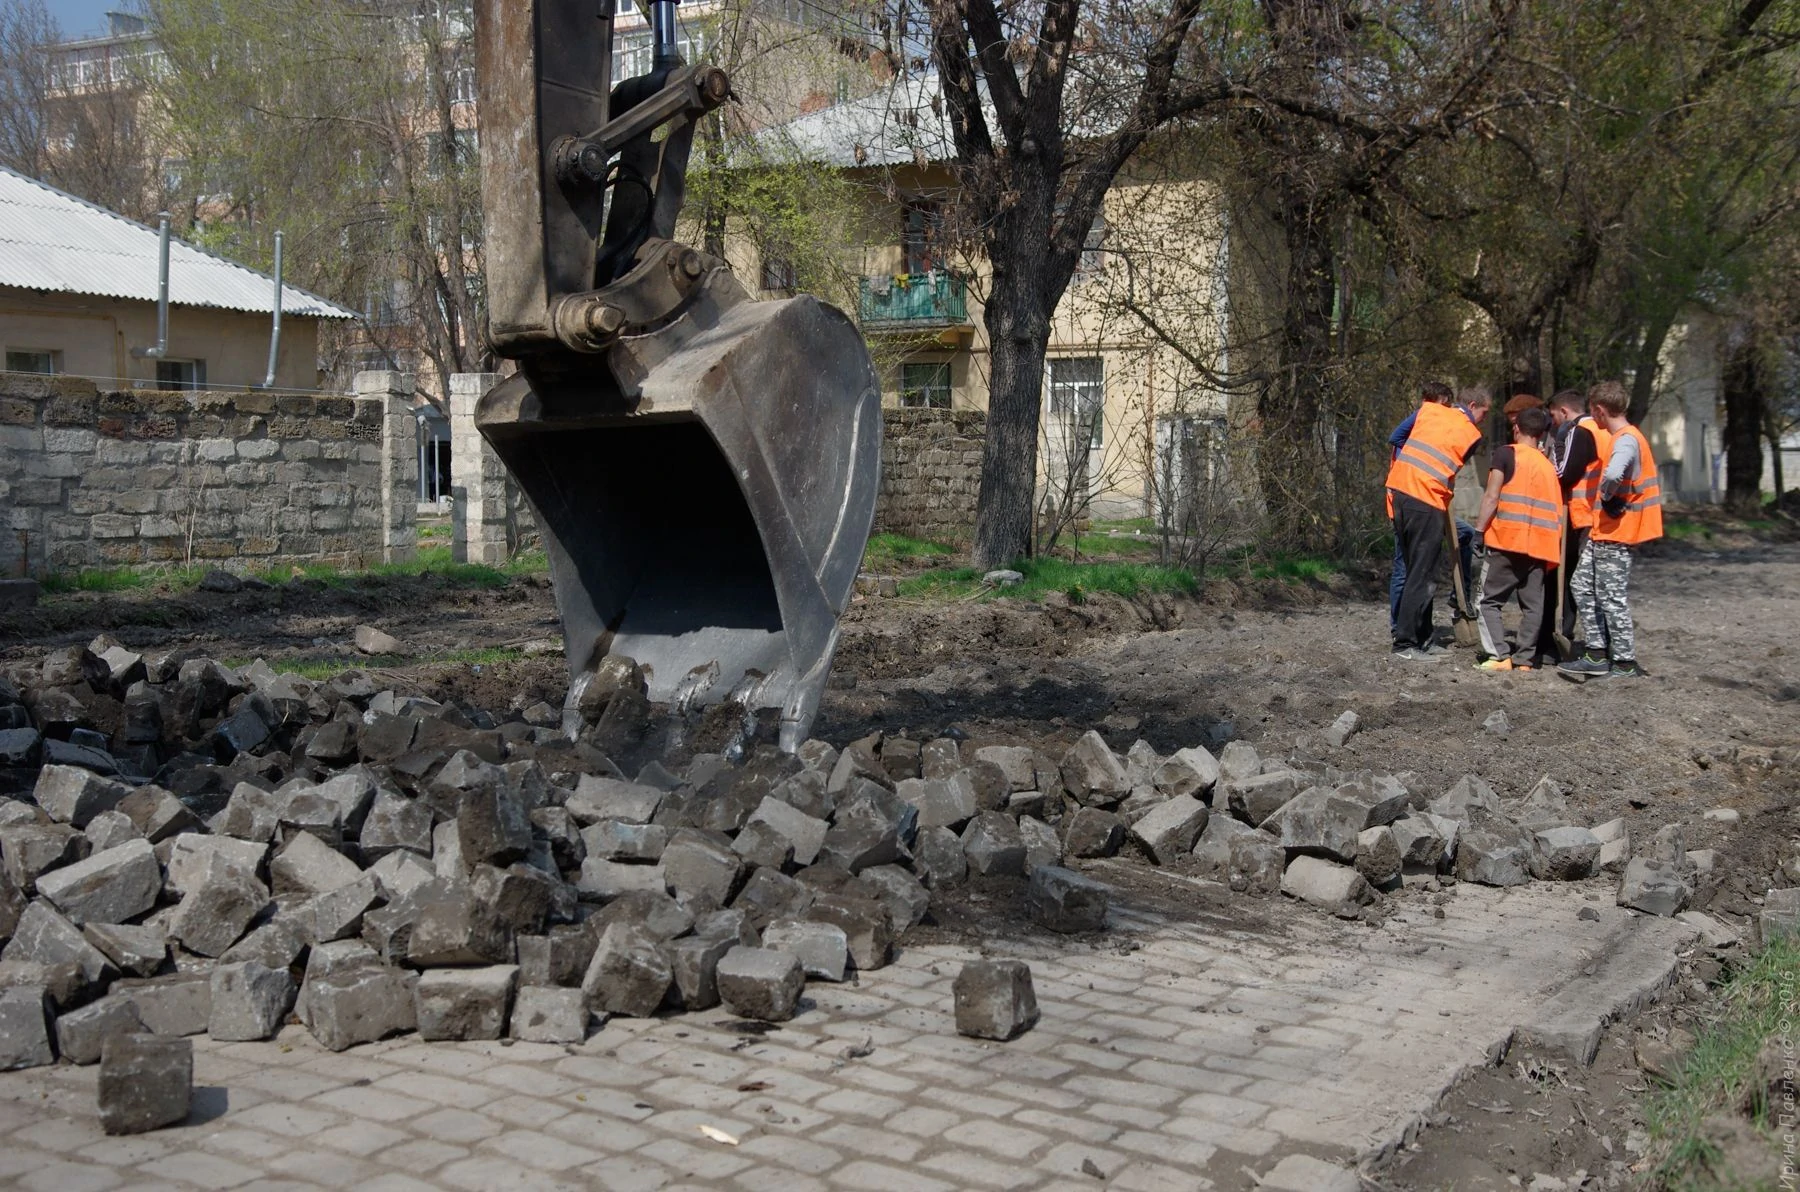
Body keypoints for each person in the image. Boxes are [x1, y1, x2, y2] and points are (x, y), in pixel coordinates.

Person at [1559, 381, 1662, 682]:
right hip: (1603, 532)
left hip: (1617, 533)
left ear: (1600, 411)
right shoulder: (1625, 437)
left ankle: (1624, 662)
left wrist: (1609, 495)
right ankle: (1597, 653)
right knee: (1581, 585)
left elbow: (1615, 473)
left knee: (1611, 596)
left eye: (1594, 414)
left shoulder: (1626, 439)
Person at [1386, 380, 1483, 660]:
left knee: (1416, 569)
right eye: (1485, 414)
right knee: (1421, 574)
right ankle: (1405, 643)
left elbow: (1398, 438)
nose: (1483, 422)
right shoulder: (1470, 433)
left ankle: (1422, 638)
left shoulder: (1429, 411)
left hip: (1401, 492)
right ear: (1472, 407)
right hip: (1425, 499)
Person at [1471, 406, 1560, 671]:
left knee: (1486, 601)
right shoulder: (1547, 466)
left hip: (1506, 542)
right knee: (1532, 606)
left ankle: (1499, 656)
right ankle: (1525, 659)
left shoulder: (1506, 454)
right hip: (1540, 547)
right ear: (1542, 433)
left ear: (1516, 428)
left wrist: (1478, 531)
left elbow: (1492, 496)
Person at [1544, 388, 1608, 656]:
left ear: (1564, 412)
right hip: (1603, 515)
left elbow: (1564, 473)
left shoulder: (1578, 431)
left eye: (1554, 417)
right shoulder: (1606, 430)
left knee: (1576, 581)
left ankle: (1576, 642)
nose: (1554, 422)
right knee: (1599, 584)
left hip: (1582, 515)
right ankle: (1607, 647)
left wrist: (1556, 445)